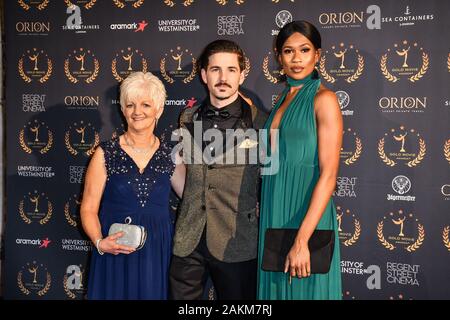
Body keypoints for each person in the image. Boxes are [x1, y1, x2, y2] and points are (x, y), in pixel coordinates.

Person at [169, 39, 268, 300]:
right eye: (215, 70)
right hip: (188, 240)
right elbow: (185, 175)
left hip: (237, 242)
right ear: (204, 74)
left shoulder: (263, 123)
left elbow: (270, 180)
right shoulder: (187, 118)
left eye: (231, 70)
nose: (223, 78)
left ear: (242, 74)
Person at [257, 21, 343, 300]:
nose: (296, 59)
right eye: (288, 51)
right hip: (275, 208)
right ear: (278, 57)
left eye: (304, 50)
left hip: (306, 212)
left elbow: (329, 175)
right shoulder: (282, 100)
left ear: (317, 55)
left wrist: (303, 239)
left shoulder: (324, 99)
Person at [81, 71, 185, 300]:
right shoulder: (104, 153)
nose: (137, 112)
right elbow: (88, 208)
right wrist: (100, 242)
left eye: (146, 104)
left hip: (156, 251)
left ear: (159, 109)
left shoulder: (171, 155)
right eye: (130, 105)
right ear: (122, 109)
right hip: (113, 249)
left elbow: (192, 198)